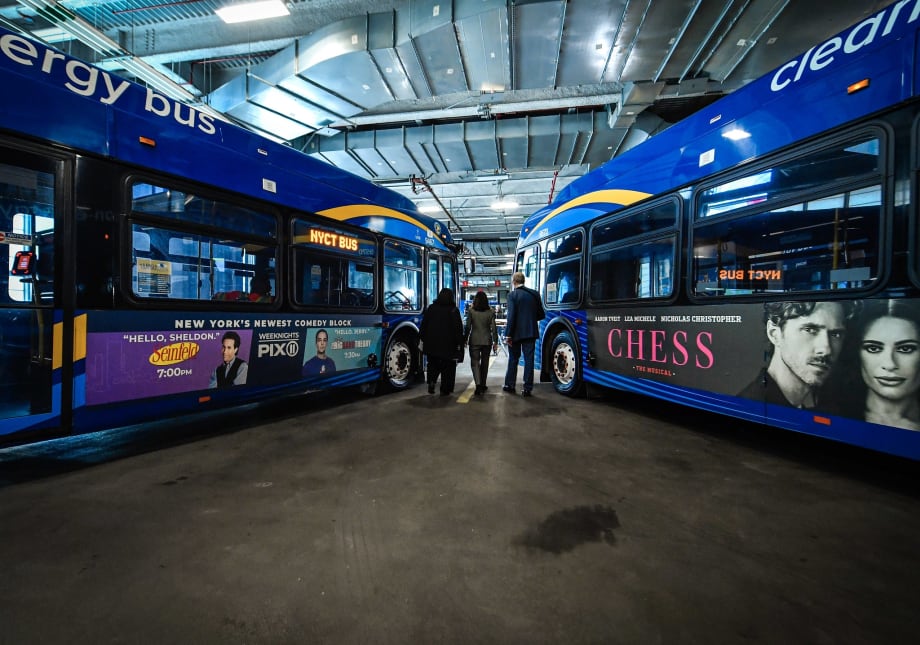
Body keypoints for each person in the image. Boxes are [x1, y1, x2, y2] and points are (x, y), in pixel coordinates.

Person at [737, 301, 852, 410]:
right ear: (774, 334)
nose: (826, 349)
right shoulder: (750, 409)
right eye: (810, 329)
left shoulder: (814, 406)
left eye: (836, 334)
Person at [834, 299, 920, 430]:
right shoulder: (835, 415)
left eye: (906, 349)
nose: (890, 364)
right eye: (873, 348)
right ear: (857, 354)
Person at [503, 271, 544, 397]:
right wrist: (530, 321)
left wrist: (508, 334)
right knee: (529, 360)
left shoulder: (512, 295)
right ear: (523, 281)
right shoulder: (534, 294)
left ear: (514, 282)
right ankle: (527, 388)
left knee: (513, 359)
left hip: (515, 333)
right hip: (530, 332)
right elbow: (541, 314)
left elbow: (511, 316)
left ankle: (510, 385)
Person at [419, 287, 464, 396]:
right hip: (448, 345)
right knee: (448, 367)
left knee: (433, 364)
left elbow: (424, 325)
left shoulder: (431, 308)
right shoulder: (453, 310)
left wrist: (423, 338)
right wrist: (460, 344)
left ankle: (432, 381)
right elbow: (458, 329)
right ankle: (445, 389)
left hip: (432, 344)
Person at [464, 291, 499, 395]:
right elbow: (494, 328)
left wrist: (465, 339)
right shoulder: (491, 312)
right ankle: (483, 384)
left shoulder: (471, 311)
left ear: (475, 300)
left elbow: (468, 327)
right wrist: (495, 342)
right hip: (487, 341)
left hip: (474, 340)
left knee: (475, 363)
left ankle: (478, 385)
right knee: (485, 363)